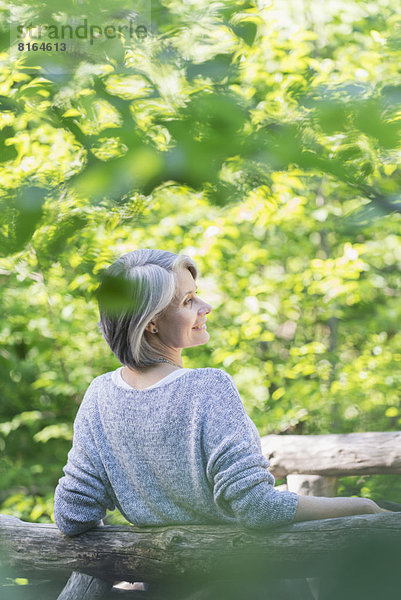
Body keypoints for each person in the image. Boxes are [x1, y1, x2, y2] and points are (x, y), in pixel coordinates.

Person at [53, 248, 385, 539]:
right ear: (151, 323)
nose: (206, 306)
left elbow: (71, 515)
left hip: (159, 585)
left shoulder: (99, 396)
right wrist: (364, 506)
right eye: (188, 301)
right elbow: (258, 509)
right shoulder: (208, 388)